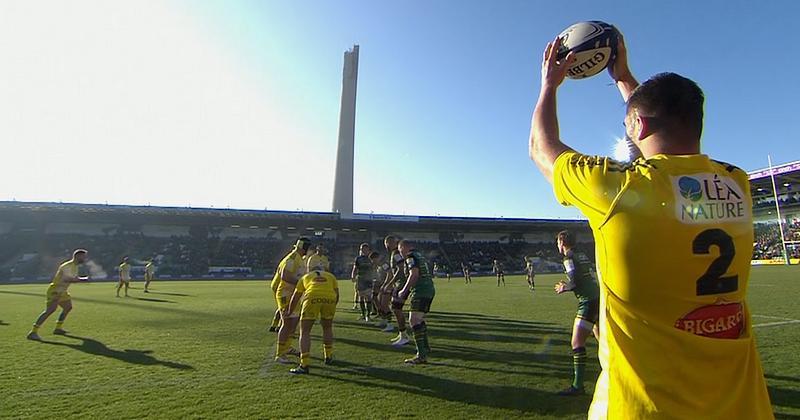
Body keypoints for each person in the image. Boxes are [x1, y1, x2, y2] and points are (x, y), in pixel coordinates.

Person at [529, 34, 772, 417]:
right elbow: (661, 135)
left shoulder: (617, 189)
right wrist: (623, 76)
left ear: (637, 125)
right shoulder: (735, 183)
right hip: (741, 406)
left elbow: (541, 149)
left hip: (643, 407)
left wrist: (549, 85)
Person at [553, 231, 600, 395]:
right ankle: (616, 373)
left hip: (588, 301)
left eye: (558, 242)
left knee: (577, 343)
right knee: (603, 341)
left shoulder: (568, 258)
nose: (557, 245)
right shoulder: (581, 255)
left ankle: (578, 386)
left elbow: (575, 280)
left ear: (562, 242)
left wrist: (564, 287)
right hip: (598, 297)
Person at [286, 263, 339, 375]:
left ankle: (304, 364)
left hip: (312, 297)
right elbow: (336, 294)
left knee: (305, 331)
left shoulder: (305, 277)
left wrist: (289, 311)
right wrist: (332, 305)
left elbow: (296, 296)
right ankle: (328, 356)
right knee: (327, 327)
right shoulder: (331, 276)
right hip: (330, 298)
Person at [27, 249, 90, 340]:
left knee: (68, 307)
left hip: (62, 291)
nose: (85, 259)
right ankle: (33, 332)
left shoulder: (75, 266)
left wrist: (81, 278)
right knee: (50, 310)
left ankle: (58, 328)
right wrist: (83, 280)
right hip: (56, 290)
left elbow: (73, 278)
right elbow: (66, 279)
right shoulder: (67, 266)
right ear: (78, 256)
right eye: (84, 257)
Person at [273, 237, 311, 364]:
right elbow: (285, 275)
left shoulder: (299, 259)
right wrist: (301, 284)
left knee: (294, 322)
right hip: (285, 294)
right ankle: (280, 354)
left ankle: (287, 347)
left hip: (293, 294)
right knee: (287, 323)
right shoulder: (293, 258)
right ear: (303, 248)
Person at [397, 240, 435, 364]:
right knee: (419, 319)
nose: (400, 253)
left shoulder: (410, 256)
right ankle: (426, 347)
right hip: (428, 289)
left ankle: (421, 355)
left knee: (413, 320)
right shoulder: (419, 255)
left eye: (400, 250)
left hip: (421, 291)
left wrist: (404, 290)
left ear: (404, 247)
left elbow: (414, 274)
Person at [382, 235, 411, 346]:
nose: (387, 246)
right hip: (399, 283)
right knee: (395, 308)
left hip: (401, 283)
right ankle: (402, 334)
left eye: (387, 243)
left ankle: (404, 336)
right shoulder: (394, 254)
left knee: (396, 308)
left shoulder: (396, 254)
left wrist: (390, 283)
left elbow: (400, 269)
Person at [351, 243, 374, 322]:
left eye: (365, 249)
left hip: (369, 279)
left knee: (368, 297)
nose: (364, 251)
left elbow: (375, 267)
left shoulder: (371, 258)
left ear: (368, 250)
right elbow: (355, 268)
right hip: (360, 279)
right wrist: (353, 276)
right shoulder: (358, 258)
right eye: (362, 249)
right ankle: (363, 314)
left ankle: (368, 315)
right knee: (361, 297)